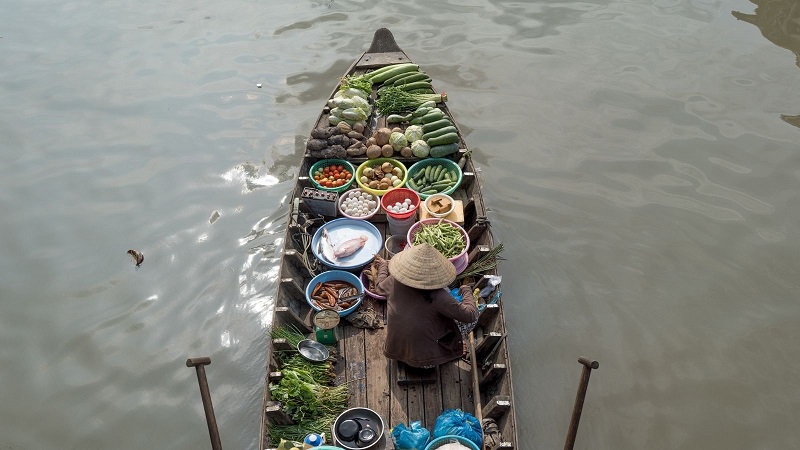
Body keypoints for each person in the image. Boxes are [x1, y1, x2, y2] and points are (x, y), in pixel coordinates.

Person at [373, 243, 478, 368]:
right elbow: (470, 315)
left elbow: (379, 287)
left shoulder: (394, 282)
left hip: (395, 350)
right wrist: (466, 290)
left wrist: (384, 266)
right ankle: (449, 347)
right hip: (426, 363)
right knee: (474, 316)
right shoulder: (438, 295)